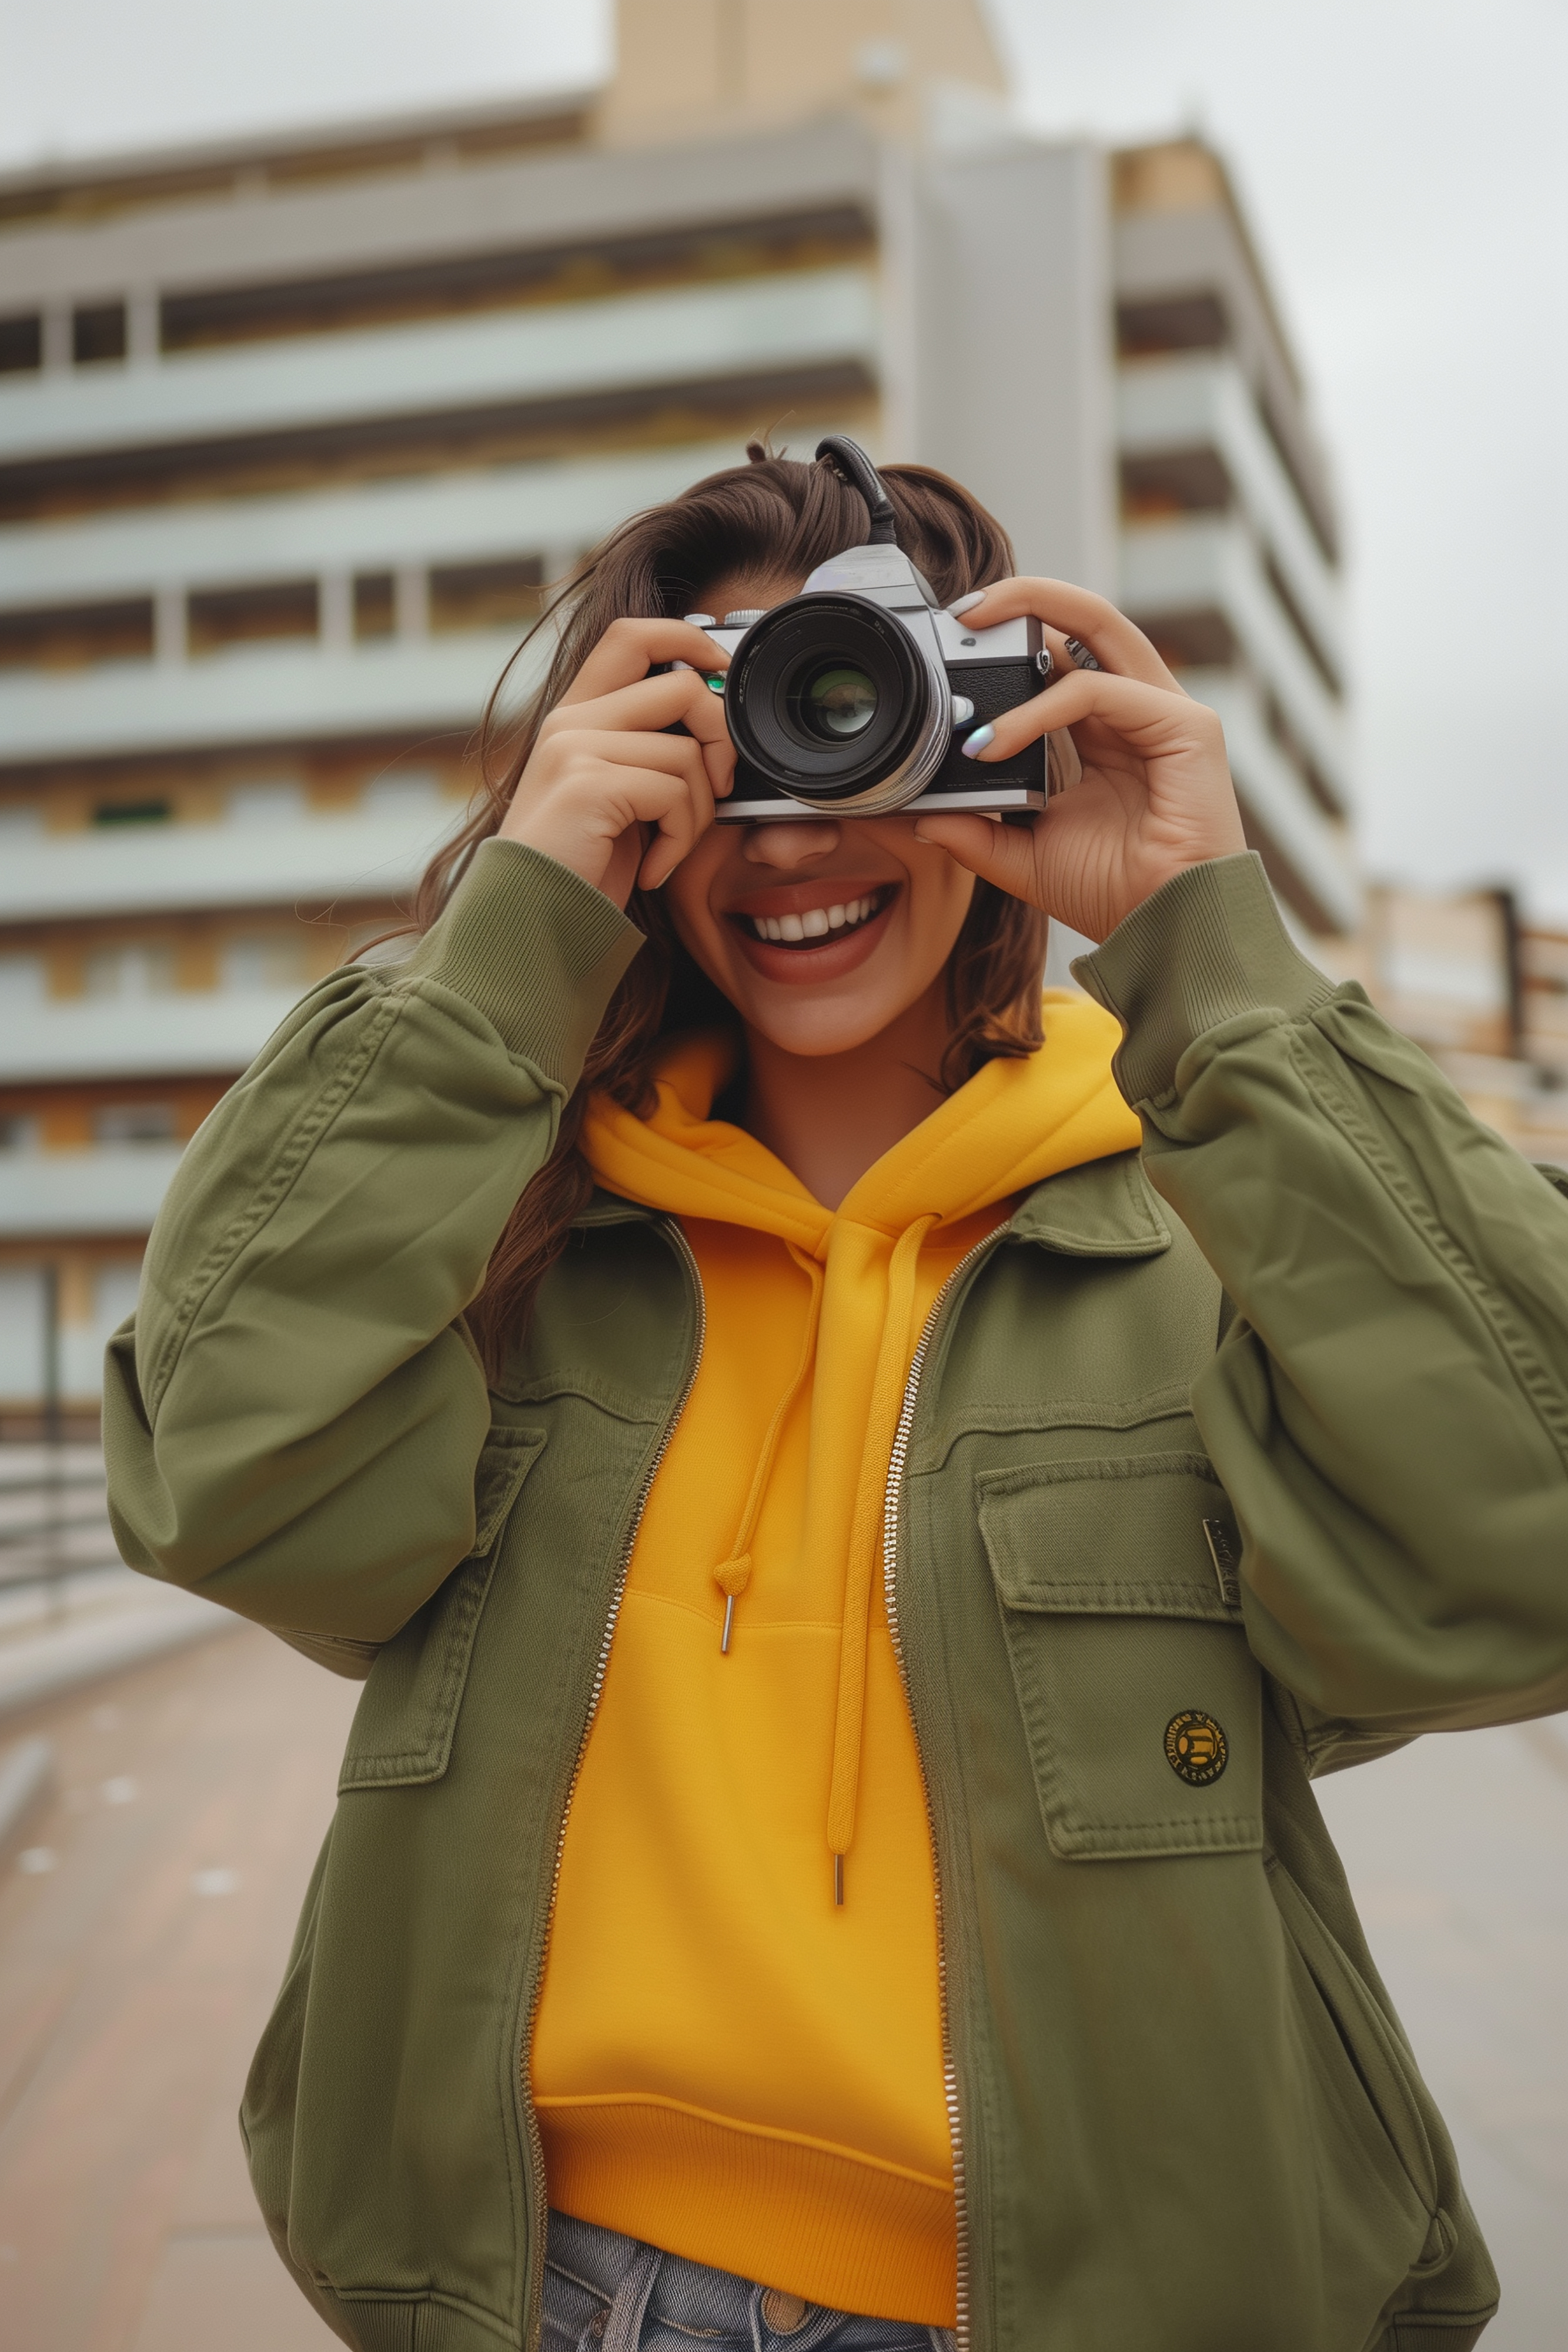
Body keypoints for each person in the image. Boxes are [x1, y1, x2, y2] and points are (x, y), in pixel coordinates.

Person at [103, 445, 1568, 2352]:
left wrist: (1209, 942)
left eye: (861, 722)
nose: (788, 836)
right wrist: (509, 952)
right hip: (543, 2294)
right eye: (730, 741)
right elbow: (208, 1472)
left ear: (1003, 746)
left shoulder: (1214, 1233)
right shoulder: (505, 1250)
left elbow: (1531, 1547)